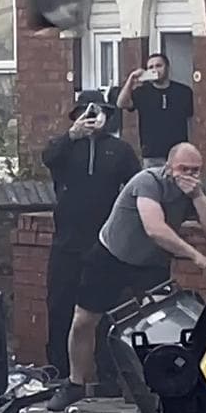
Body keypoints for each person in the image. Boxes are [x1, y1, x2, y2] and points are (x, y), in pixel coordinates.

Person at [48, 142, 206, 412]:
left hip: (151, 263)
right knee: (84, 321)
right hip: (111, 255)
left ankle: (161, 389)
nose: (189, 175)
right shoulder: (148, 181)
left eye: (196, 170)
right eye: (183, 169)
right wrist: (194, 255)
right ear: (168, 167)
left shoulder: (195, 190)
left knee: (158, 323)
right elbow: (154, 228)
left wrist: (198, 197)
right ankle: (75, 383)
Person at [41, 91, 140, 378]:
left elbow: (135, 185)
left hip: (104, 242)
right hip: (67, 240)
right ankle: (59, 369)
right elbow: (48, 158)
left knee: (103, 308)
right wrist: (72, 135)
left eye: (97, 114)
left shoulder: (119, 150)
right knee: (60, 304)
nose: (92, 119)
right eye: (86, 113)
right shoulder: (65, 147)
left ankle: (107, 371)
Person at [117, 53, 196, 167]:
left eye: (159, 66)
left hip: (178, 152)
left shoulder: (183, 92)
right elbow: (121, 103)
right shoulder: (142, 92)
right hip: (152, 153)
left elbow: (190, 122)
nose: (155, 70)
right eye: (151, 67)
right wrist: (131, 80)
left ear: (167, 68)